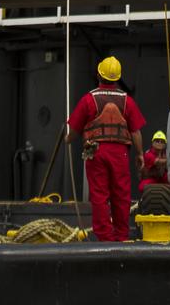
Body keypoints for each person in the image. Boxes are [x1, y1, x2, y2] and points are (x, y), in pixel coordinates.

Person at [66, 56, 146, 242]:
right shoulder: (127, 101)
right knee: (122, 194)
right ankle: (121, 236)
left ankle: (104, 237)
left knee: (100, 195)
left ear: (98, 75)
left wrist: (67, 139)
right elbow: (136, 132)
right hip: (120, 153)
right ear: (118, 78)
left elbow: (74, 131)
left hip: (96, 152)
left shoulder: (88, 99)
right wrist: (140, 154)